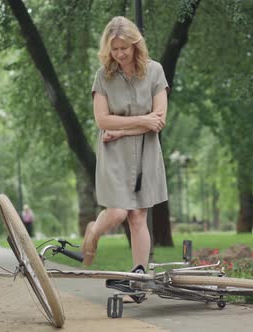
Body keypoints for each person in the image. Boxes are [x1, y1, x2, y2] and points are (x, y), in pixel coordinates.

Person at [82, 16, 169, 276]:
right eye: (114, 49)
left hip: (146, 151)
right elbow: (102, 120)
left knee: (138, 216)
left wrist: (120, 130)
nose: (119, 54)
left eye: (124, 48)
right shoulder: (103, 76)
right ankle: (94, 231)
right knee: (119, 212)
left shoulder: (155, 71)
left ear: (135, 46)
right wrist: (143, 120)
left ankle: (138, 275)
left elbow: (159, 120)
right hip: (114, 155)